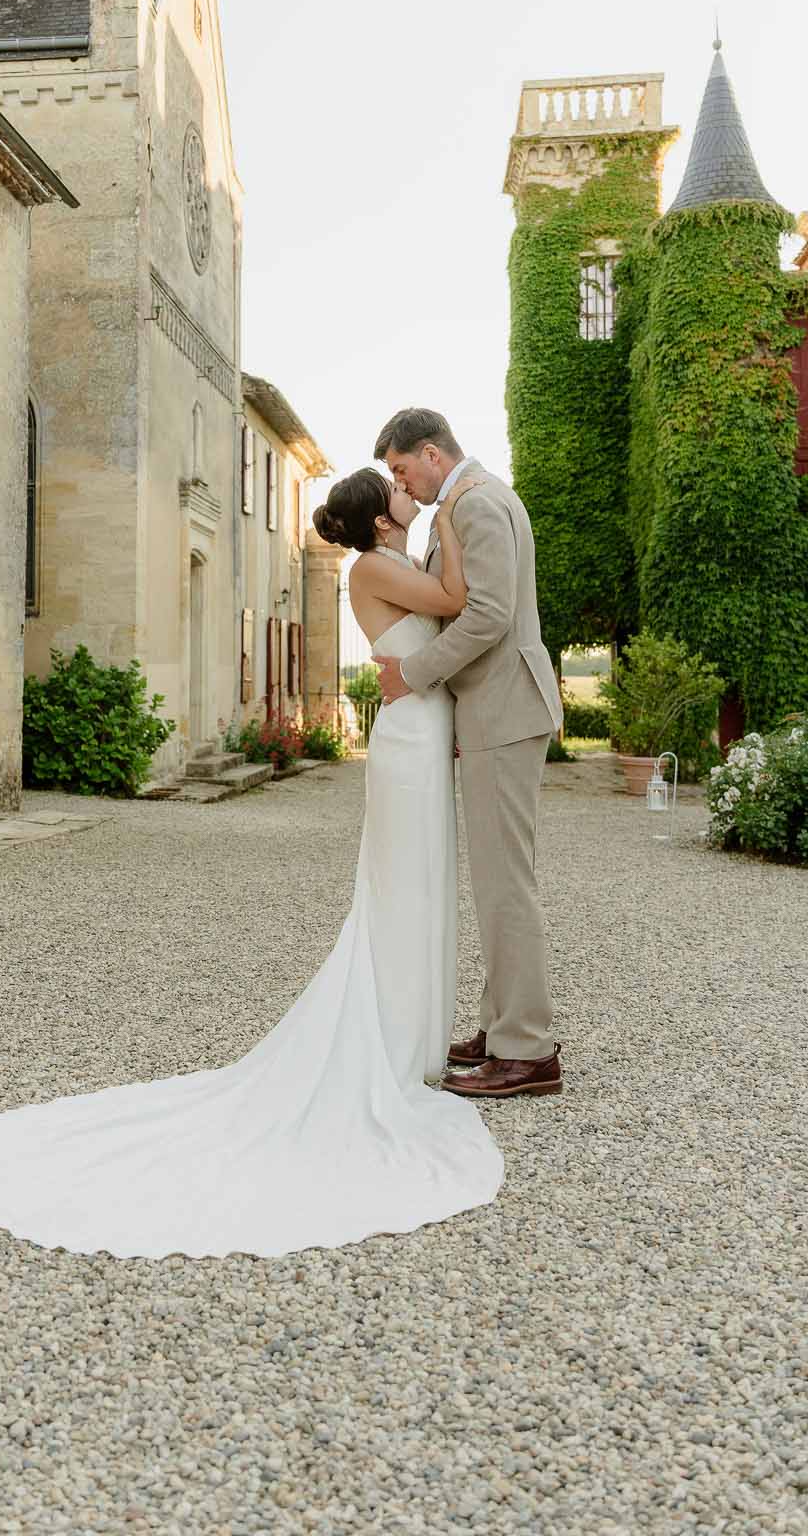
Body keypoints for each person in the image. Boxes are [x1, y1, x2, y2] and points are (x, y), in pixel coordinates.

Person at [0, 466, 503, 1259]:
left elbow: (438, 614)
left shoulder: (390, 558)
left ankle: (411, 1044)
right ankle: (390, 1046)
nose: (409, 495)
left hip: (420, 731)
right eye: (399, 491)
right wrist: (452, 519)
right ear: (382, 520)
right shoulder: (375, 566)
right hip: (408, 742)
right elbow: (452, 604)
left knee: (420, 889)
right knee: (401, 891)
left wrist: (434, 527)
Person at [372, 407, 564, 1102]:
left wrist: (413, 675)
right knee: (496, 881)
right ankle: (503, 1027)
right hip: (494, 710)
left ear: (429, 453)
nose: (401, 483)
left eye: (399, 469)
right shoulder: (466, 500)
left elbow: (486, 614)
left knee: (504, 884)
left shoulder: (476, 503)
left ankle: (526, 1051)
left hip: (503, 711)